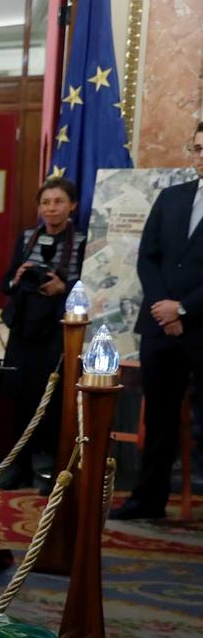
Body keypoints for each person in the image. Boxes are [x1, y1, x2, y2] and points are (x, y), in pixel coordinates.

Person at [112, 122, 203, 519]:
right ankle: (147, 500)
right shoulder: (171, 197)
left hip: (200, 328)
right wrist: (164, 308)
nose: (202, 155)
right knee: (160, 420)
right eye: (198, 147)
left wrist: (183, 310)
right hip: (158, 328)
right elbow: (147, 257)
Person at [0, 178, 86, 490]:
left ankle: (53, 470)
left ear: (72, 205)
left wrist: (65, 287)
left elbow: (91, 289)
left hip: (59, 333)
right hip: (25, 330)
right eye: (45, 202)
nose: (51, 208)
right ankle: (18, 466)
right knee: (21, 398)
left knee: (55, 399)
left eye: (59, 201)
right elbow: (4, 284)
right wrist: (18, 278)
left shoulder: (84, 241)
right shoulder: (26, 239)